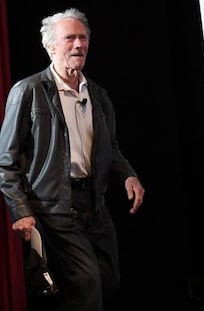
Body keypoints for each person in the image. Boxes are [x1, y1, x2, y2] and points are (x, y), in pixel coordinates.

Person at [0, 7, 145, 311]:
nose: (78, 45)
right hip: (54, 207)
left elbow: (111, 148)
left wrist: (128, 174)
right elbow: (6, 161)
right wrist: (21, 210)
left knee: (108, 279)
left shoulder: (98, 95)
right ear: (50, 46)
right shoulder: (28, 91)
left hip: (95, 204)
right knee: (87, 281)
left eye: (82, 38)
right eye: (69, 38)